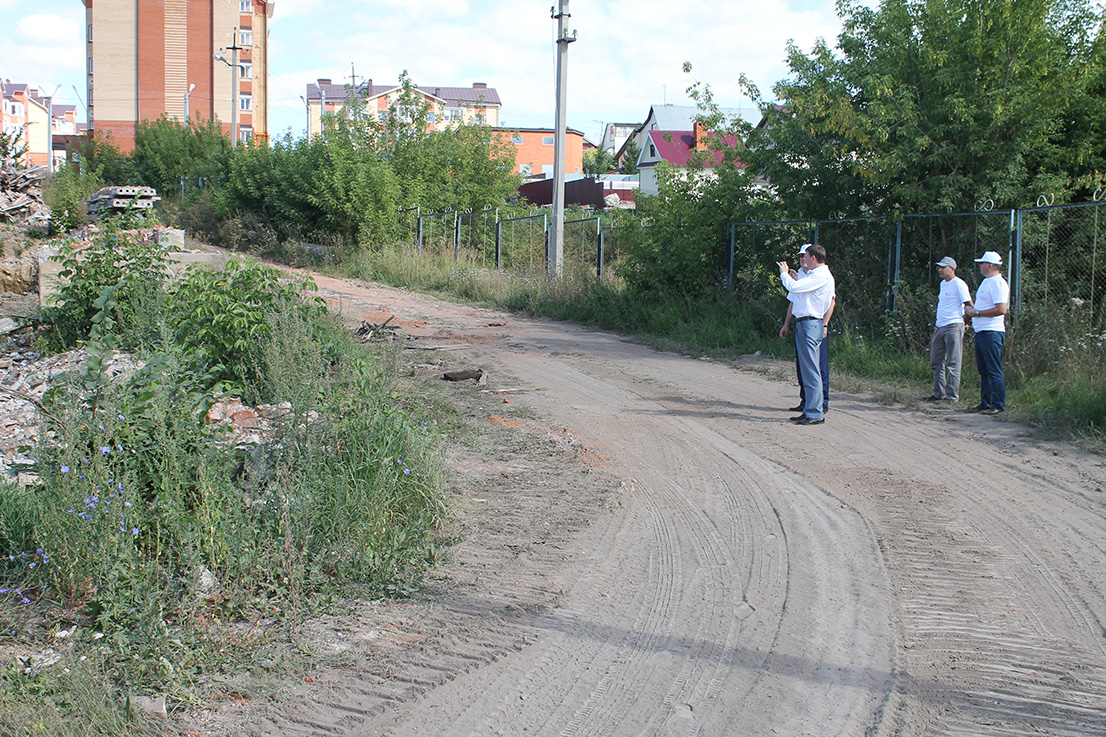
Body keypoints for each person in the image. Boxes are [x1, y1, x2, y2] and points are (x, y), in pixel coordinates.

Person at [777, 244, 835, 425]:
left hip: (811, 323)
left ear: (814, 258)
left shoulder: (821, 275)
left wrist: (784, 274)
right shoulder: (813, 276)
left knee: (811, 370)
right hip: (806, 323)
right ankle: (810, 408)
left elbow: (794, 289)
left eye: (806, 256)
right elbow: (799, 292)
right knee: (807, 369)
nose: (804, 259)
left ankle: (815, 412)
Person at [965, 251, 1009, 415]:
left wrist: (976, 313)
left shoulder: (998, 283)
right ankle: (985, 403)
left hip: (992, 331)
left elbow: (1001, 309)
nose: (980, 266)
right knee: (984, 370)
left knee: (993, 369)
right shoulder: (987, 282)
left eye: (982, 263)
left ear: (990, 265)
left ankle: (997, 404)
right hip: (982, 330)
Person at [925, 256, 973, 402]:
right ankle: (939, 393)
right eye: (939, 267)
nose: (940, 270)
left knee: (953, 361)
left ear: (952, 269)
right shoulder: (943, 284)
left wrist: (966, 321)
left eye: (943, 267)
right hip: (940, 325)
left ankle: (952, 396)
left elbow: (969, 304)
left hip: (953, 325)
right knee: (936, 360)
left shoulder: (959, 284)